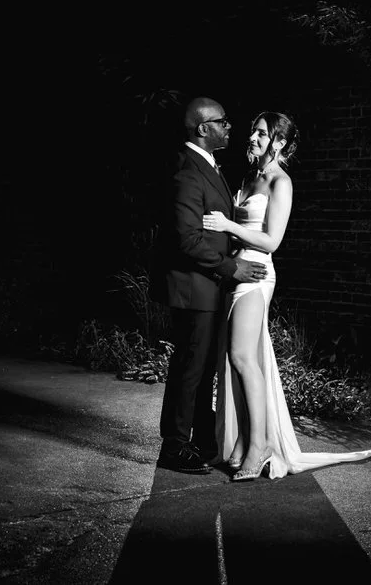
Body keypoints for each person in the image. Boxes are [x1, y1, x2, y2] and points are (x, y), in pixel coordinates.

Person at [203, 112, 371, 481]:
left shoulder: (281, 182)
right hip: (236, 272)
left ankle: (261, 445)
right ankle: (244, 442)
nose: (253, 137)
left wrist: (227, 224)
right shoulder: (251, 176)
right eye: (253, 131)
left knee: (241, 357)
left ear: (279, 142)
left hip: (258, 275)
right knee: (236, 361)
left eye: (262, 133)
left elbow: (272, 241)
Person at [151, 97, 268, 475]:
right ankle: (174, 446)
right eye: (223, 122)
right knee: (190, 367)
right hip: (194, 287)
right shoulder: (187, 171)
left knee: (201, 369)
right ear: (203, 129)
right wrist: (232, 267)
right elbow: (187, 240)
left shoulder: (209, 167)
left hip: (209, 286)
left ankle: (202, 440)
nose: (229, 128)